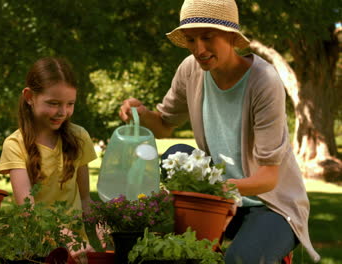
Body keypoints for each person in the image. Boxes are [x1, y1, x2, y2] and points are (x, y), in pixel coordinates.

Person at [119, 0, 320, 263]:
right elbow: (164, 124)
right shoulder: (190, 71)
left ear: (232, 36)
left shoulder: (264, 81)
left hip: (271, 204)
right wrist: (140, 114)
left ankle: (265, 243)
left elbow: (269, 178)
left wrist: (213, 188)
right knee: (176, 154)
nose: (198, 49)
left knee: (239, 260)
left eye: (207, 36)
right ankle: (209, 238)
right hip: (224, 201)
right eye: (191, 40)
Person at [0, 57, 97, 263]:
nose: (62, 112)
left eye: (70, 104)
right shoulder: (15, 145)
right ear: (29, 97)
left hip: (74, 253)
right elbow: (28, 210)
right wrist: (66, 237)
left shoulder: (79, 138)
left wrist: (102, 222)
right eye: (53, 104)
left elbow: (86, 199)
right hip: (33, 252)